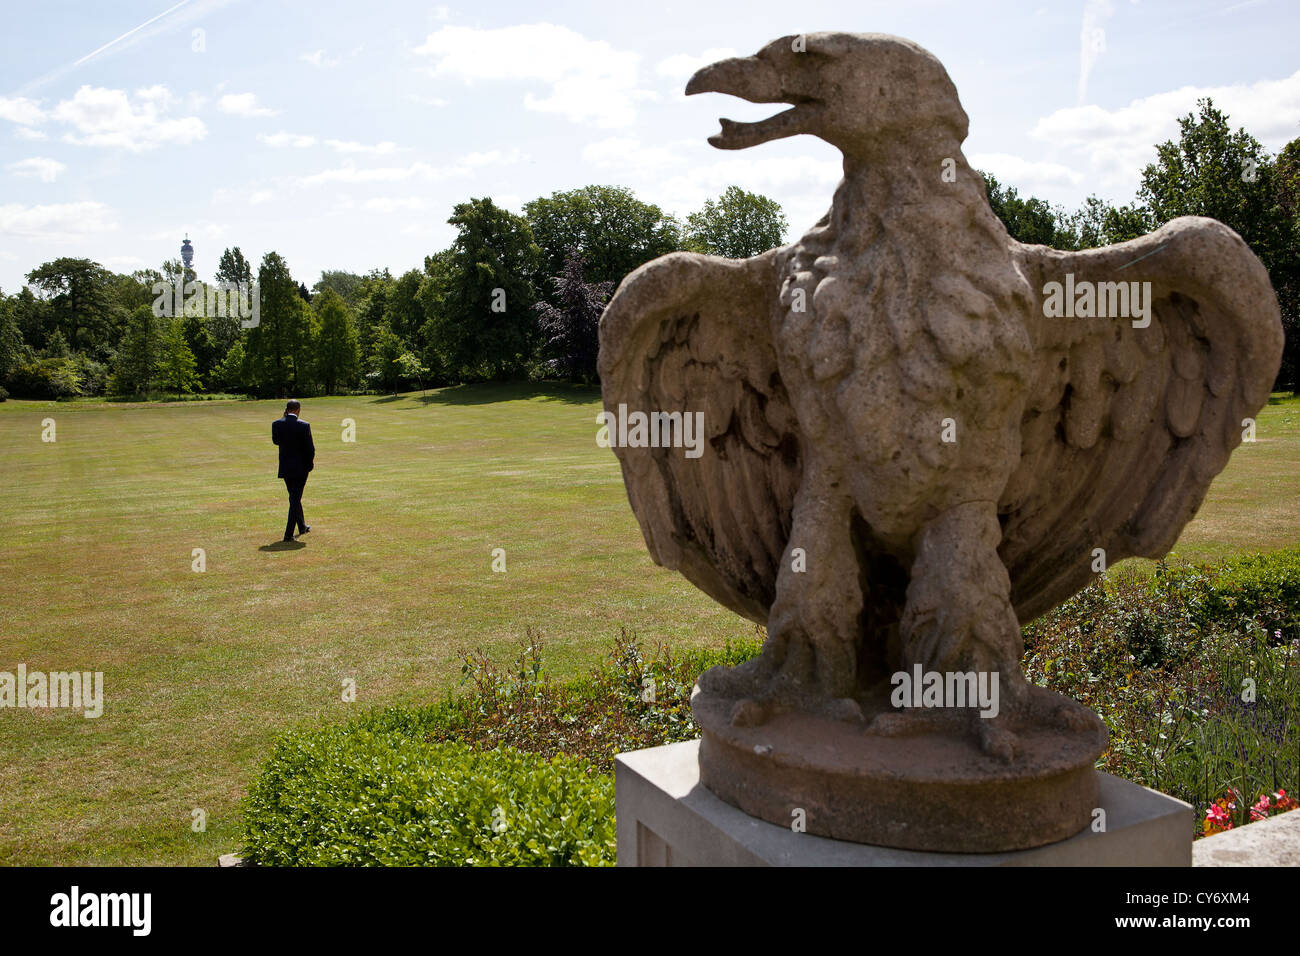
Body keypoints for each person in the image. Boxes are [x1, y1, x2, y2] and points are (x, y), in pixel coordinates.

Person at [271, 399, 315, 542]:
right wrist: (309, 465)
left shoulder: (277, 424)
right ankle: (288, 534)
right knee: (295, 499)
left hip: (285, 467)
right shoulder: (304, 425)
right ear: (298, 410)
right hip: (301, 468)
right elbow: (310, 449)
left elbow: (276, 441)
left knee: (294, 497)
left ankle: (301, 526)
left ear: (287, 409)